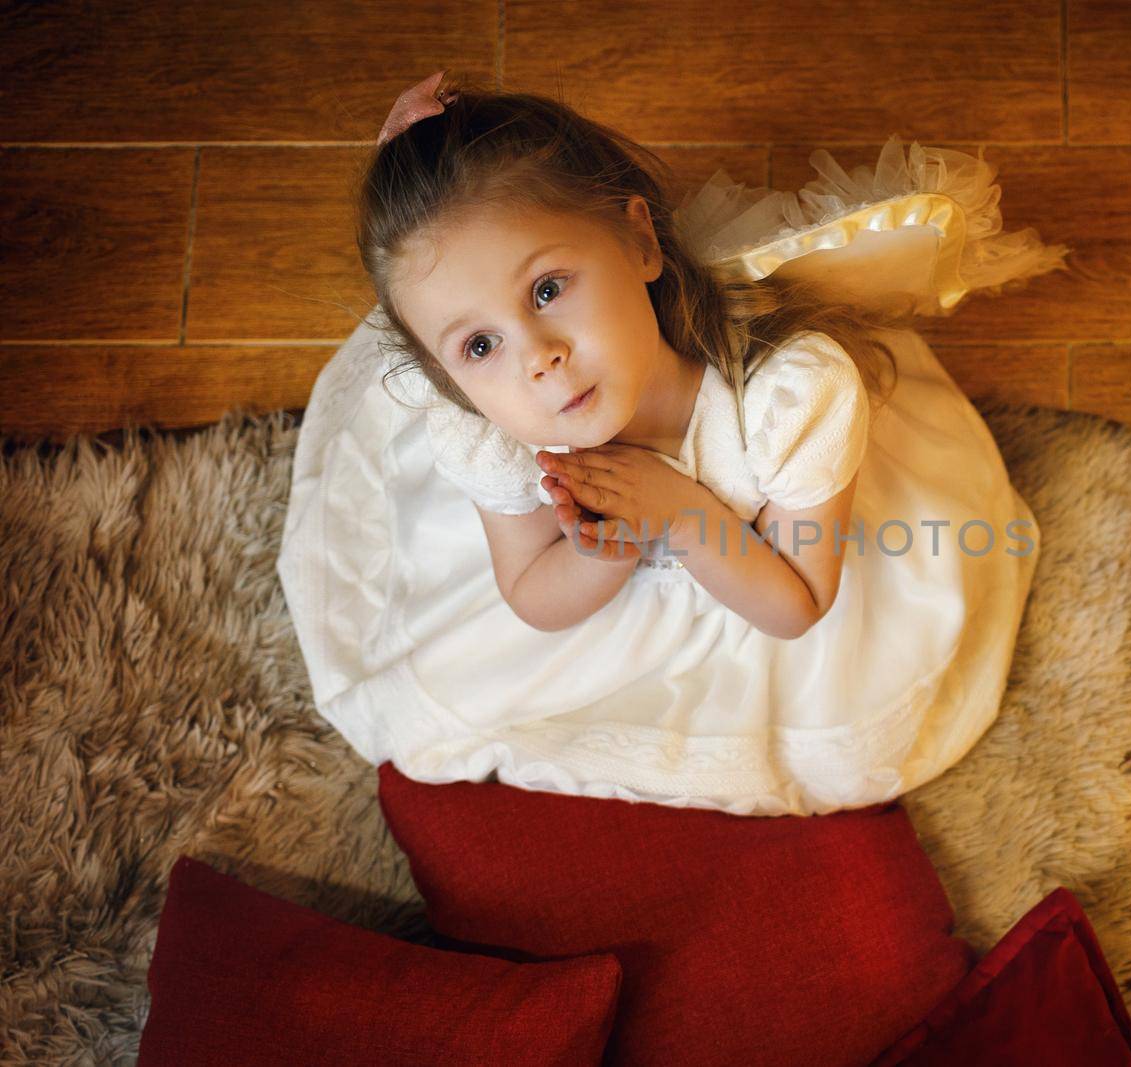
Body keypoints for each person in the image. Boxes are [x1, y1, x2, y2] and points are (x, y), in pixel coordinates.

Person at [275, 69, 1070, 816]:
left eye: (548, 289)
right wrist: (603, 544)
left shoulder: (788, 398)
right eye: (479, 346)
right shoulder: (489, 430)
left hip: (762, 580)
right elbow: (528, 589)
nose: (538, 358)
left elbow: (799, 605)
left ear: (640, 243)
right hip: (611, 589)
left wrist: (684, 517)